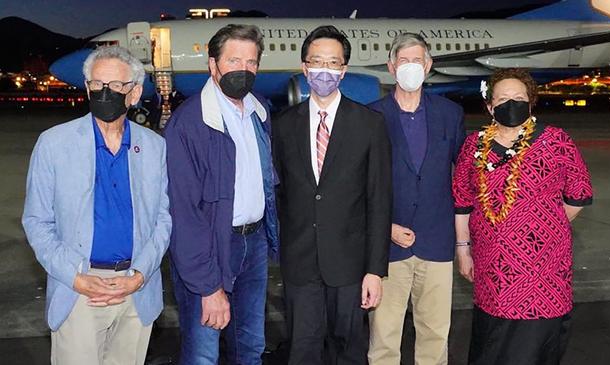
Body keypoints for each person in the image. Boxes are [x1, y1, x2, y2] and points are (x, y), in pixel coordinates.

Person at [22, 45, 172, 365]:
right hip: (79, 291)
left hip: (135, 290)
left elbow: (163, 218)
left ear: (133, 93)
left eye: (116, 86)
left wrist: (140, 274)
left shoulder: (154, 147)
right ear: (87, 87)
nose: (106, 93)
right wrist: (76, 278)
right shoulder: (53, 143)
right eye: (98, 85)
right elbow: (36, 221)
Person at [453, 68, 593, 365]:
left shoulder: (555, 140)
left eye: (518, 97)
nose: (511, 104)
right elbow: (463, 202)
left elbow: (579, 194)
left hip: (544, 268)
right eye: (502, 98)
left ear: (531, 103)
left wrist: (543, 226)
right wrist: (464, 250)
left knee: (534, 344)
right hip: (493, 265)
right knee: (493, 341)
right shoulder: (473, 146)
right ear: (490, 106)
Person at [272, 25, 392, 365]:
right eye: (317, 61)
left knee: (350, 351)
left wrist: (374, 270)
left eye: (333, 63)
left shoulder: (370, 124)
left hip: (351, 267)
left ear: (343, 70)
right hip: (300, 264)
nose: (324, 70)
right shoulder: (283, 125)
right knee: (302, 349)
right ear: (304, 66)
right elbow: (282, 194)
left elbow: (379, 200)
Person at [164, 24, 279, 365]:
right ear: (212, 65)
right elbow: (183, 215)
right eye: (233, 60)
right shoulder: (189, 125)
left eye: (251, 61)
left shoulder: (259, 114)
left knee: (250, 346)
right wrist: (207, 287)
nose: (243, 69)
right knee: (203, 353)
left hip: (253, 244)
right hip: (211, 248)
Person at [367, 33, 466, 365]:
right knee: (383, 336)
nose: (411, 67)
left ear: (429, 66)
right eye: (404, 61)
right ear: (391, 66)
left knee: (435, 334)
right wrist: (384, 228)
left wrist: (464, 242)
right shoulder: (371, 117)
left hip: (436, 242)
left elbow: (463, 176)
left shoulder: (450, 114)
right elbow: (359, 186)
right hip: (388, 246)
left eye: (418, 61)